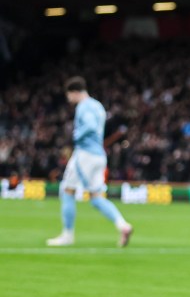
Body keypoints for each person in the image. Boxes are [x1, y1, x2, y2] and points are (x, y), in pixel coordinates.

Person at [47, 77, 133, 247]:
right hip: (99, 155)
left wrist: (77, 135)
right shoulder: (98, 106)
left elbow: (91, 126)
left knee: (67, 190)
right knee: (95, 197)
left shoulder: (84, 106)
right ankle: (123, 225)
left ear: (74, 92)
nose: (68, 99)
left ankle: (67, 235)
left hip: (85, 154)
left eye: (69, 95)